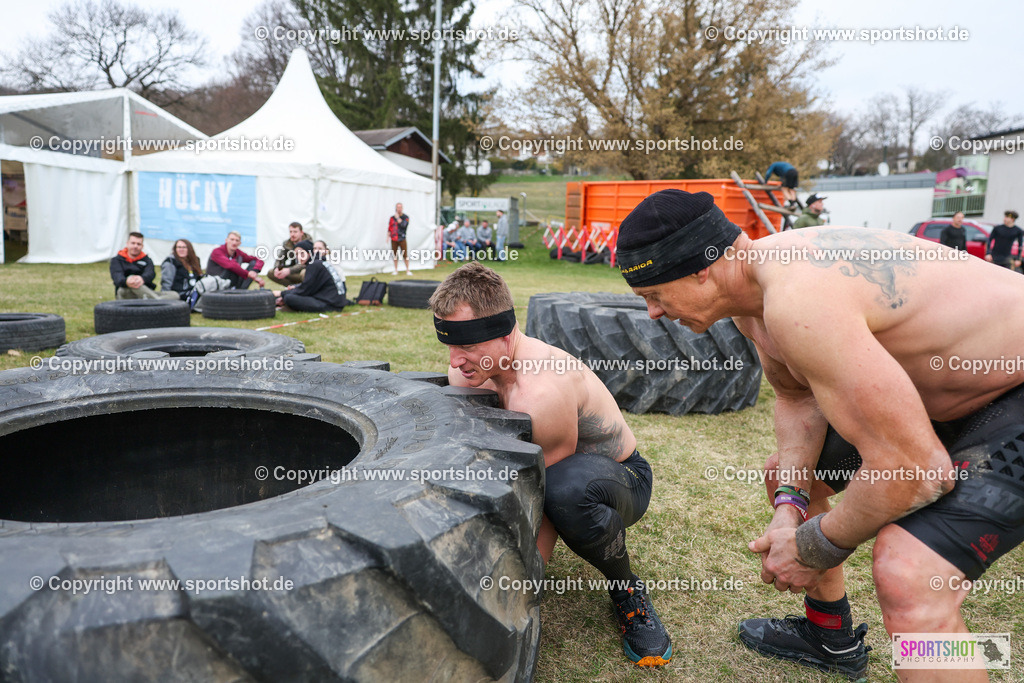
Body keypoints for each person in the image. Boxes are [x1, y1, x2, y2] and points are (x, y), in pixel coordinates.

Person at [615, 189, 1024, 682]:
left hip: (1010, 392)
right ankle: (830, 637)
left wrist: (815, 547)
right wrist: (791, 510)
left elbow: (916, 471)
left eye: (655, 294)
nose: (654, 313)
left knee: (908, 574)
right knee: (789, 477)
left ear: (702, 267)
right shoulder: (753, 300)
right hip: (955, 396)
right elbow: (796, 398)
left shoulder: (798, 297)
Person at [430, 263, 673, 667]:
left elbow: (542, 495)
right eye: (449, 345)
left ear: (505, 335)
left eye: (467, 346)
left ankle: (627, 589)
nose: (456, 360)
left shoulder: (540, 391)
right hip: (562, 471)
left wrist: (526, 582)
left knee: (566, 490)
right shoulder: (470, 369)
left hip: (618, 479)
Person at [277, 240, 347, 312]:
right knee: (290, 296)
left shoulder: (314, 264)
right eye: (297, 254)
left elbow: (305, 290)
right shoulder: (320, 262)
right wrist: (295, 288)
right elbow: (311, 286)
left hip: (331, 304)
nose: (299, 257)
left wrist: (281, 293)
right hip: (336, 301)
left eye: (302, 253)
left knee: (289, 298)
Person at [110, 232, 178, 300]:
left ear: (142, 246)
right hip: (125, 291)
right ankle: (156, 301)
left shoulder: (147, 260)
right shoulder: (117, 260)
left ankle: (153, 299)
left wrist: (142, 279)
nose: (135, 246)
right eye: (133, 243)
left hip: (146, 292)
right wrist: (128, 281)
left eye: (138, 244)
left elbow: (150, 274)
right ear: (127, 243)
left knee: (175, 295)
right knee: (132, 281)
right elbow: (117, 277)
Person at [269, 222, 311, 286]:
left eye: (295, 232)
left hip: (304, 270)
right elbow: (280, 259)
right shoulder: (287, 244)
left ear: (301, 233)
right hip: (293, 270)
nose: (292, 234)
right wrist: (277, 268)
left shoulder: (309, 244)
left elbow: (306, 263)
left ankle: (303, 288)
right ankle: (292, 288)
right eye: (290, 232)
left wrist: (289, 270)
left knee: (304, 273)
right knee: (271, 272)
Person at [389, 203, 412, 275]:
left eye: (400, 207)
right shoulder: (392, 218)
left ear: (402, 208)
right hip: (394, 238)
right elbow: (390, 227)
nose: (399, 209)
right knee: (395, 255)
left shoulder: (405, 217)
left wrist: (398, 218)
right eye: (398, 207)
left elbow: (404, 225)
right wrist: (388, 236)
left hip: (402, 238)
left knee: (405, 254)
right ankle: (396, 270)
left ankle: (407, 270)